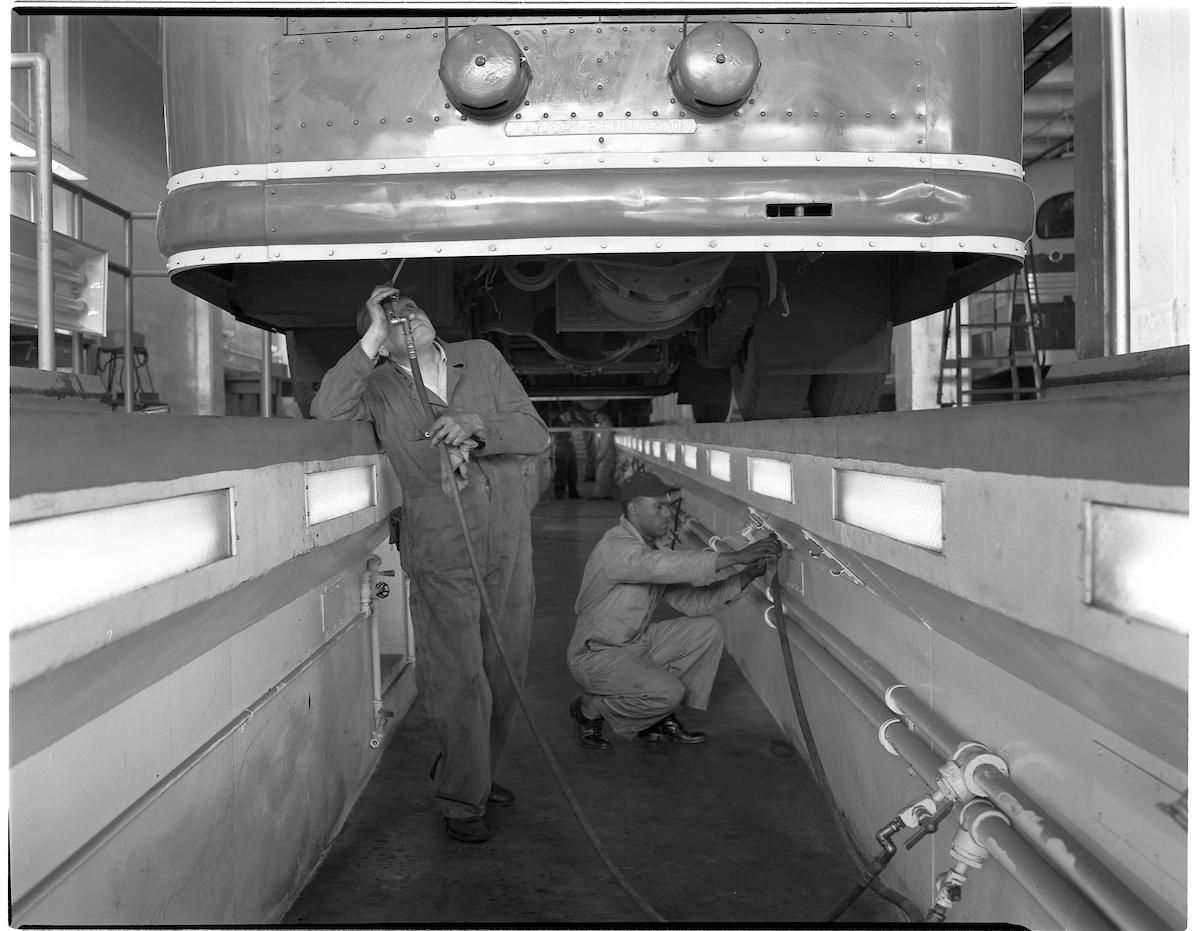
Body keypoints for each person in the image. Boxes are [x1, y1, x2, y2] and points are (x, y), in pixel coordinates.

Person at [312, 283, 549, 843]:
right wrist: (372, 334)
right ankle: (464, 799)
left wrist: (475, 425)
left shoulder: (482, 357)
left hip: (509, 538)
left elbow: (534, 432)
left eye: (410, 309)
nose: (405, 317)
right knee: (457, 675)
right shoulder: (376, 386)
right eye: (389, 319)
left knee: (505, 669)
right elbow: (326, 412)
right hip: (441, 544)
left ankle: (477, 772)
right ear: (379, 338)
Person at [566, 471, 782, 750]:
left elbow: (693, 601)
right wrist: (735, 557)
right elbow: (657, 565)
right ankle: (590, 707)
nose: (667, 514)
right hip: (597, 655)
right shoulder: (616, 546)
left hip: (635, 645)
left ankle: (655, 716)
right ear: (633, 509)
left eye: (668, 505)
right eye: (658, 506)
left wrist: (746, 574)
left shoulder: (652, 549)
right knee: (668, 692)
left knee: (706, 629)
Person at [588, 407, 616, 500]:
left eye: (599, 416)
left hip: (606, 455)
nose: (597, 419)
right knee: (606, 475)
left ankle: (599, 494)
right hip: (608, 454)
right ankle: (607, 493)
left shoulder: (606, 426)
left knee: (601, 475)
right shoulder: (605, 425)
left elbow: (605, 442)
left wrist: (600, 455)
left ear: (604, 416)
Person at [552, 411, 580, 499]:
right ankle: (560, 493)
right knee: (561, 472)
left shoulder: (568, 423)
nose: (569, 416)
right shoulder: (557, 424)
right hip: (562, 450)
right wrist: (567, 438)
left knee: (573, 472)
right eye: (567, 414)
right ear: (562, 414)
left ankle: (573, 492)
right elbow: (555, 438)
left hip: (571, 450)